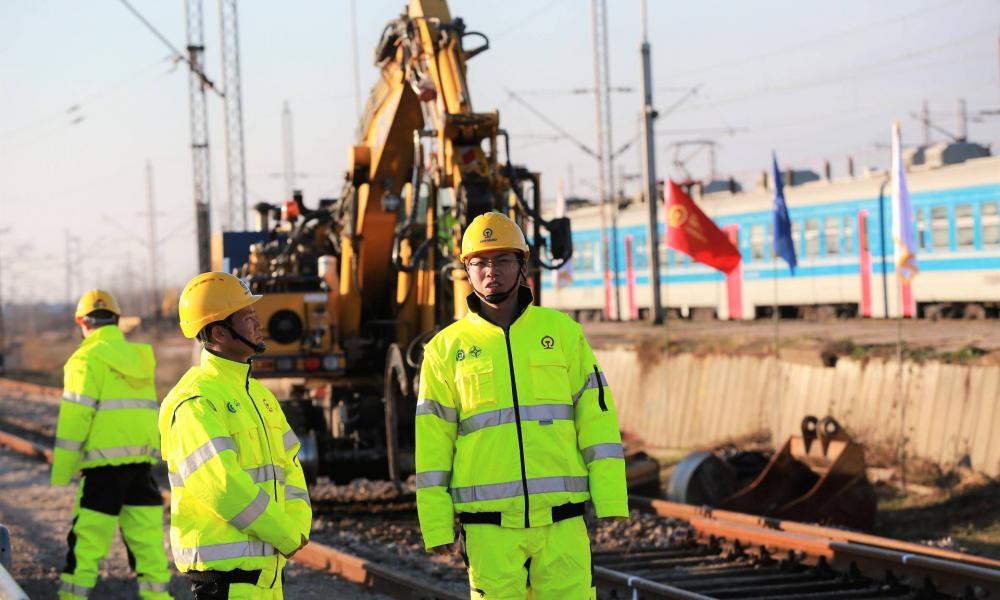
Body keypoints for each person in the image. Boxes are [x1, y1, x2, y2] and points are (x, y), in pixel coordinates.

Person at [415, 212, 628, 599]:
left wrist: (611, 498)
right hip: (489, 530)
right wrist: (436, 524)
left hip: (562, 524)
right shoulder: (445, 350)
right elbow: (432, 445)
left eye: (502, 260)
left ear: (522, 264)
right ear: (466, 269)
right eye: (479, 262)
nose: (490, 271)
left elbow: (597, 421)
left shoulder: (562, 333)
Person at [159, 272, 311, 600]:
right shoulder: (196, 400)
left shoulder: (259, 395)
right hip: (226, 584)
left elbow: (291, 467)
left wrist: (299, 524)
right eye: (247, 317)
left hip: (268, 581)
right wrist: (285, 533)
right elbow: (222, 486)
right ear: (219, 332)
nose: (258, 323)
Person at [52, 289, 171, 599]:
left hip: (103, 472)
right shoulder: (140, 358)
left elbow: (74, 420)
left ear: (82, 322)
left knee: (87, 546)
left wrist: (62, 473)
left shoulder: (84, 359)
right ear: (117, 319)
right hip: (141, 467)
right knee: (149, 549)